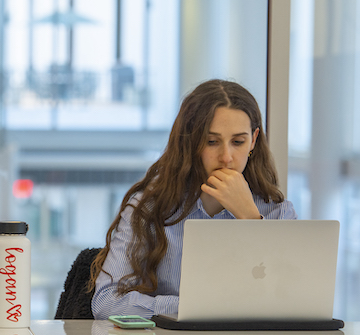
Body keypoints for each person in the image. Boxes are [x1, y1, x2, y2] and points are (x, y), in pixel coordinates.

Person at [89, 79, 298, 320]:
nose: (227, 157)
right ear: (190, 142)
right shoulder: (148, 209)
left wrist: (250, 218)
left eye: (238, 142)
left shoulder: (278, 213)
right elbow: (106, 303)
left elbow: (290, 302)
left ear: (253, 140)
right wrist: (195, 306)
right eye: (212, 142)